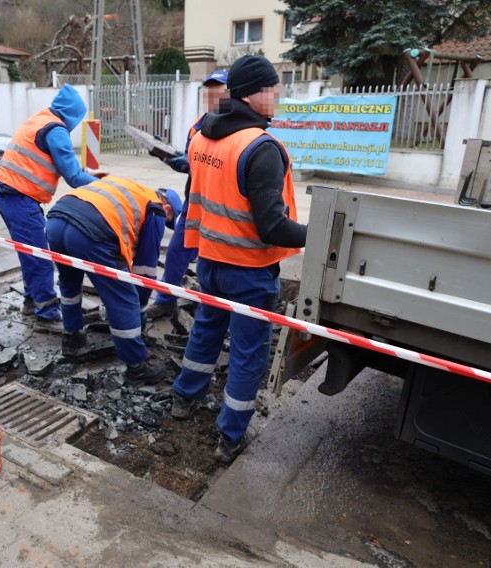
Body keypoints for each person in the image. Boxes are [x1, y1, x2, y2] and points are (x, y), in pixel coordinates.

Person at [169, 55, 307, 464]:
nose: (279, 94)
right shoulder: (260, 147)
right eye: (273, 87)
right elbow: (273, 228)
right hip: (249, 271)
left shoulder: (202, 137)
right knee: (249, 354)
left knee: (206, 332)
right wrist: (319, 237)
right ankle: (230, 436)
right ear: (253, 93)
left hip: (210, 260)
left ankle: (184, 398)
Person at [45, 176, 183, 386]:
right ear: (166, 208)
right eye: (169, 219)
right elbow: (144, 270)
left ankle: (72, 338)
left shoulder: (131, 187)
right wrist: (139, 310)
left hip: (57, 220)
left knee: (69, 283)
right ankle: (137, 367)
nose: (166, 223)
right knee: (122, 297)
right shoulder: (155, 209)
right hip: (89, 231)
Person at [0, 84, 104, 333]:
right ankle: (47, 313)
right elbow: (74, 177)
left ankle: (32, 301)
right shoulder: (56, 130)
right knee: (40, 258)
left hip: (9, 195)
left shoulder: (40, 119)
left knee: (30, 254)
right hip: (19, 198)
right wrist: (104, 185)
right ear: (74, 114)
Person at [146, 69, 229, 319]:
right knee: (176, 251)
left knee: (216, 259)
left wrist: (179, 160)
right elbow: (190, 162)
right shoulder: (198, 125)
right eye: (209, 89)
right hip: (195, 201)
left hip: (223, 204)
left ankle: (217, 307)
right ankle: (165, 300)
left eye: (219, 89)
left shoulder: (235, 126)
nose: (213, 94)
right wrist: (167, 155)